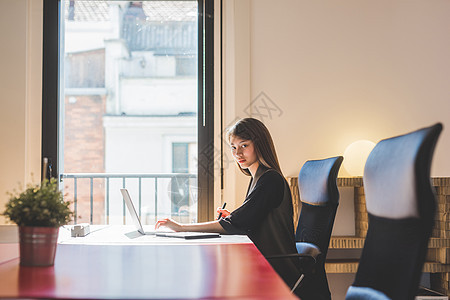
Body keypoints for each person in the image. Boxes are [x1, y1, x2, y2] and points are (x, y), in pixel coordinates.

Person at [155, 117, 301, 293]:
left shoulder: (270, 179)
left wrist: (181, 227)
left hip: (275, 268)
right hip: (265, 262)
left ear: (260, 144)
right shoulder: (258, 177)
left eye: (244, 145)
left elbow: (238, 224)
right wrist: (234, 216)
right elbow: (251, 220)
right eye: (233, 147)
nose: (237, 153)